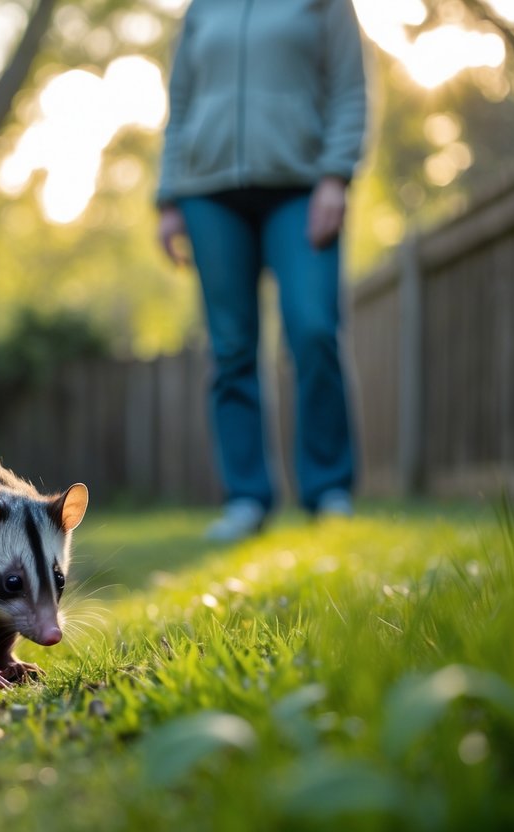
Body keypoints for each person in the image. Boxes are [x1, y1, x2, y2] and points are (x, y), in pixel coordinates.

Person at [155, 0, 368, 541]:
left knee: (314, 328)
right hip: (208, 195)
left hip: (302, 188)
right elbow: (180, 106)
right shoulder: (203, 8)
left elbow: (349, 90)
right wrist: (168, 199)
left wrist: (336, 177)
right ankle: (247, 498)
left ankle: (329, 490)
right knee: (230, 350)